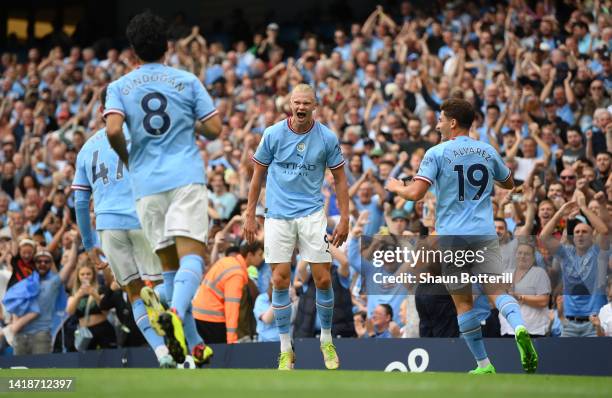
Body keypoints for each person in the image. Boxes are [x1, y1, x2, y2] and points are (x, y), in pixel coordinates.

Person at [386, 98, 538, 374]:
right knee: (497, 292)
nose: (437, 123)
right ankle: (518, 326)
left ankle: (484, 365)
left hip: (453, 238)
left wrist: (397, 187)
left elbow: (416, 194)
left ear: (453, 122)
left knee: (463, 304)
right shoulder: (487, 150)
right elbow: (508, 182)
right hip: (484, 234)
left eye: (441, 118)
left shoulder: (436, 153)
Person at [104, 11, 221, 365]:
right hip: (184, 178)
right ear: (168, 47)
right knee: (192, 259)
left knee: (169, 268)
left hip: (146, 186)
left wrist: (128, 157)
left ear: (132, 51)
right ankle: (175, 313)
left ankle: (195, 346)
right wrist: (191, 126)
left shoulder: (119, 87)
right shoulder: (186, 80)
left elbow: (112, 130)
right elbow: (214, 129)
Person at [244, 84, 350, 370]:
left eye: (306, 103)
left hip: (312, 214)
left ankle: (326, 339)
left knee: (324, 279)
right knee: (279, 279)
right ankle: (285, 348)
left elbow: (340, 179)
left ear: (315, 105)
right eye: (297, 102)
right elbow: (257, 176)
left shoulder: (327, 137)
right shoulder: (273, 134)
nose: (301, 107)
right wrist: (250, 213)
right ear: (289, 104)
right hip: (278, 215)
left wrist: (345, 218)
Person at [72, 86, 175, 367]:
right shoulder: (142, 138)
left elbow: (81, 203)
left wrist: (89, 245)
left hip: (107, 227)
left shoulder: (85, 149)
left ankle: (161, 352)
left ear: (101, 112)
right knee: (172, 282)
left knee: (132, 293)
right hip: (141, 220)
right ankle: (159, 304)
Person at [192, 241, 263, 344]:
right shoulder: (236, 274)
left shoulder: (228, 261)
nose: (262, 258)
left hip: (200, 315)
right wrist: (231, 340)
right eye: (260, 255)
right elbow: (232, 307)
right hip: (212, 320)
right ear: (249, 255)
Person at [499, 241, 551, 337]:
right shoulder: (506, 273)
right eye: (520, 253)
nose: (522, 256)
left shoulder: (539, 273)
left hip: (532, 330)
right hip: (508, 329)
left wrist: (520, 297)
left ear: (533, 257)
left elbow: (544, 301)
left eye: (526, 254)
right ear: (515, 255)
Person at [66, 260, 117, 350]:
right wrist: (78, 296)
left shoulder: (101, 290)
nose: (85, 276)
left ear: (93, 275)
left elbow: (105, 310)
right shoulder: (74, 294)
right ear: (78, 276)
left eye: (88, 274)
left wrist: (94, 294)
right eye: (82, 274)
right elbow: (70, 312)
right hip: (85, 332)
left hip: (102, 329)